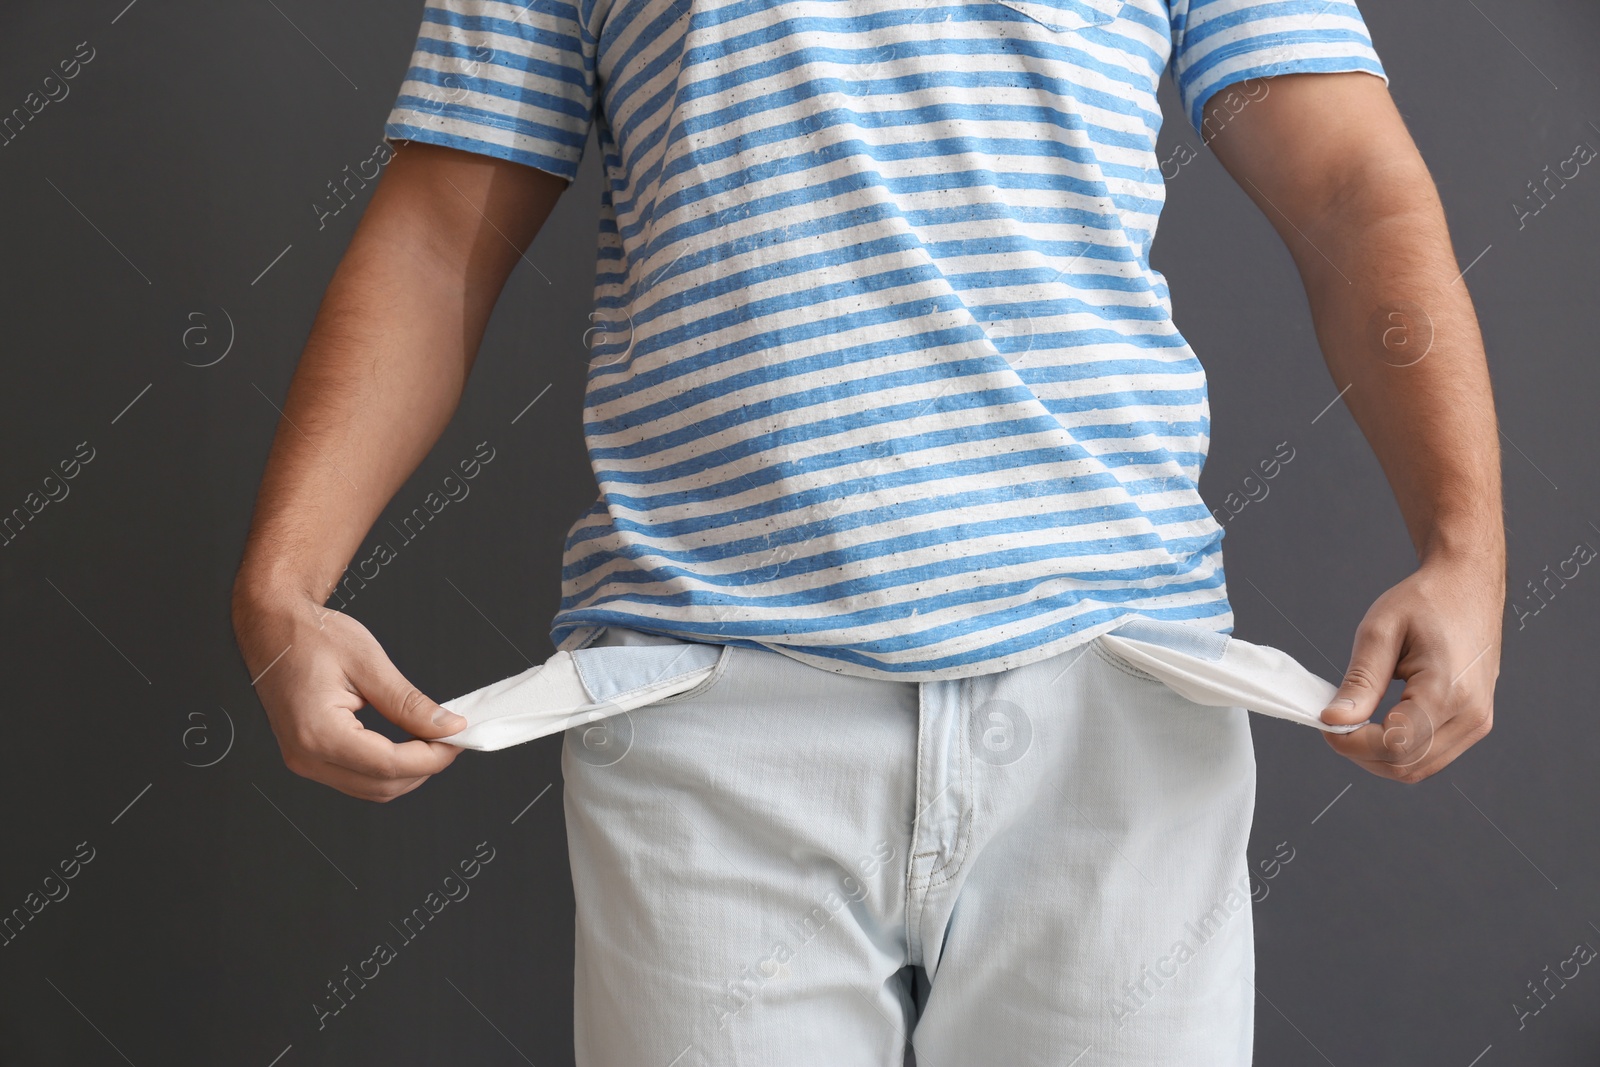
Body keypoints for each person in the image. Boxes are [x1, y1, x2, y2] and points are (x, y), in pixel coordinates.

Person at [230, 0, 1505, 1062]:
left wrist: (1466, 542)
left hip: (1115, 707)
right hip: (708, 720)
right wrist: (285, 580)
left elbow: (1346, 185)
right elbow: (446, 225)